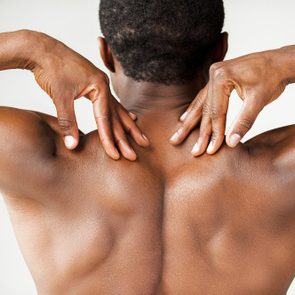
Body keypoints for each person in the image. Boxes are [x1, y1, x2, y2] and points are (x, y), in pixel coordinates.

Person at [0, 0, 295, 294]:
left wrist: (31, 48)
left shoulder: (36, 155)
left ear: (106, 53)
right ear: (220, 51)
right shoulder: (282, 172)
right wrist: (283, 61)